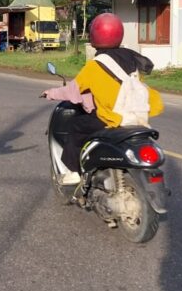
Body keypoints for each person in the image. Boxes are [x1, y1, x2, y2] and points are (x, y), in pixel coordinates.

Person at [42, 13, 164, 185]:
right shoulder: (131, 59)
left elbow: (72, 91)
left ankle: (73, 172)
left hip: (110, 118)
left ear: (94, 35)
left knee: (76, 127)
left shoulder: (95, 65)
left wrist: (51, 93)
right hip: (136, 117)